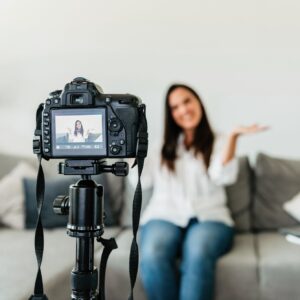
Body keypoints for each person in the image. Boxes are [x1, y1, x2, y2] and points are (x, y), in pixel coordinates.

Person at [137, 84, 267, 300]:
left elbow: (223, 176)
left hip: (210, 218)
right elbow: (141, 181)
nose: (184, 110)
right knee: (152, 254)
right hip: (164, 215)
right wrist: (131, 146)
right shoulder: (159, 145)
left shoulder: (220, 140)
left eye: (187, 101)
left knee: (197, 253)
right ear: (170, 115)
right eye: (175, 107)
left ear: (198, 102)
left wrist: (234, 136)